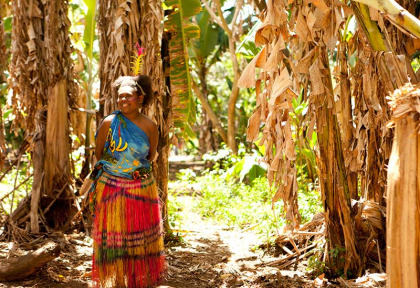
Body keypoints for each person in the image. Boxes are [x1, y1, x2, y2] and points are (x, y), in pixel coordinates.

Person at [88, 75, 165, 287]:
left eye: (128, 96)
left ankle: (136, 277)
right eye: (119, 97)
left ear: (140, 98)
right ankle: (119, 279)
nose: (122, 100)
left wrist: (133, 173)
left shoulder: (150, 126)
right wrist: (119, 173)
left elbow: (151, 156)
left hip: (141, 189)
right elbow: (99, 154)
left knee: (137, 237)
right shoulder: (109, 123)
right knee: (116, 236)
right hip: (112, 186)